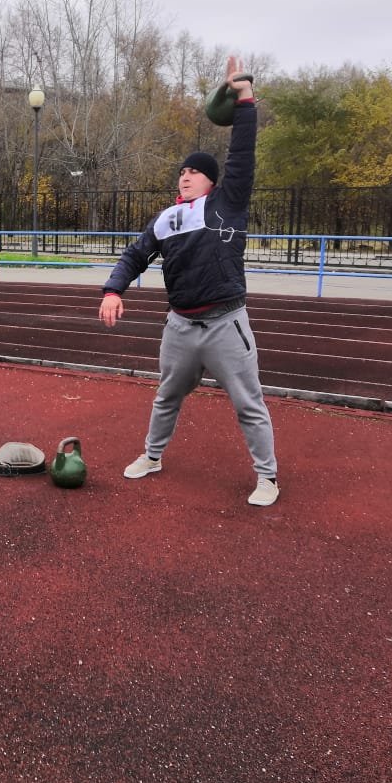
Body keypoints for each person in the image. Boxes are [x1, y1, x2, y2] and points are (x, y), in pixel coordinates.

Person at [98, 56, 279, 507]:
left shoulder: (227, 204)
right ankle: (152, 456)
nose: (185, 173)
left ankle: (268, 478)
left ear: (212, 181)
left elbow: (242, 153)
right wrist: (112, 290)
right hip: (180, 327)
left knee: (248, 404)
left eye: (194, 170)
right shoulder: (166, 218)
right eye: (183, 170)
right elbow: (136, 255)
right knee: (167, 397)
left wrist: (244, 99)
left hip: (225, 324)